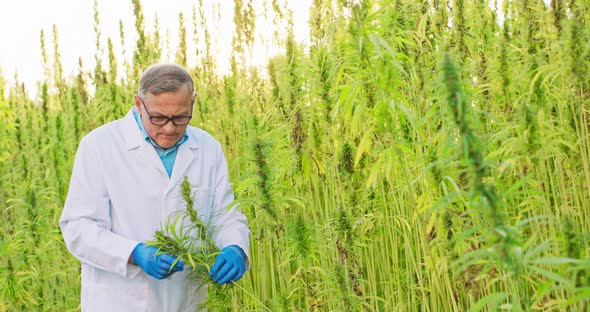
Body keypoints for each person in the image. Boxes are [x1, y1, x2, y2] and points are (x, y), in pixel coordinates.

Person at [60, 63, 250, 311]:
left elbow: (225, 214)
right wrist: (133, 253)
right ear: (139, 105)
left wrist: (235, 247)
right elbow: (78, 227)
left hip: (187, 299)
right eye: (159, 118)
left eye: (181, 117)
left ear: (192, 104)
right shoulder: (99, 146)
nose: (170, 128)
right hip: (121, 300)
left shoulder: (207, 147)